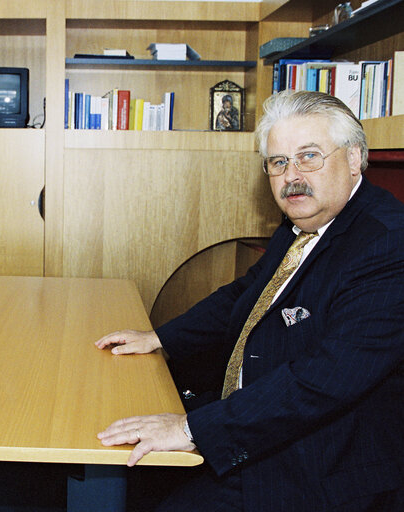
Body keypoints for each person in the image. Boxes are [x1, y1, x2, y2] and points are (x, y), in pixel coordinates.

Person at [95, 91, 404, 511]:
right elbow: (246, 293)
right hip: (257, 420)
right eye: (278, 162)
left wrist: (191, 429)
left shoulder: (388, 245)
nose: (292, 176)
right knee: (118, 448)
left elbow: (325, 380)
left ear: (354, 159)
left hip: (319, 466)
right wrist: (160, 337)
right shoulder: (306, 220)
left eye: (309, 156)